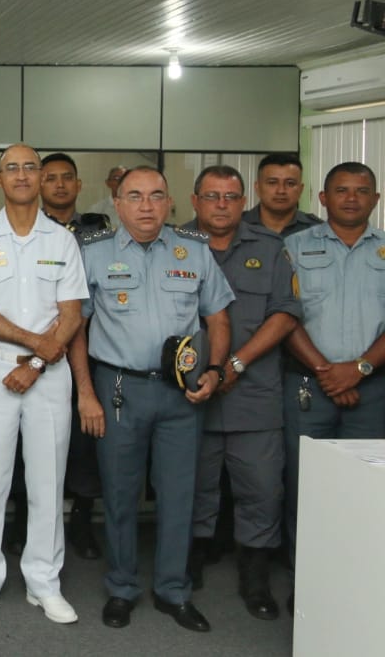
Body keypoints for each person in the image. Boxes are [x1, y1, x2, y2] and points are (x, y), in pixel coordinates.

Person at [75, 166, 232, 633]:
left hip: (181, 393)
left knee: (179, 495)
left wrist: (216, 370)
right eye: (135, 196)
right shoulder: (93, 253)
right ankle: (122, 587)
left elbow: (218, 318)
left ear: (170, 202)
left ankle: (173, 590)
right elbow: (74, 328)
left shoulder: (195, 252)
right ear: (117, 203)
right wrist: (85, 392)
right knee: (120, 494)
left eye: (156, 196)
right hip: (118, 390)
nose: (146, 206)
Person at [0, 145, 87, 626]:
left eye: (31, 167)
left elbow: (72, 314)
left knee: (47, 483)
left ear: (41, 177)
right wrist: (37, 344)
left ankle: (44, 582)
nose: (22, 175)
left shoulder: (63, 241)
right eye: (12, 168)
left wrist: (35, 361)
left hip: (48, 375)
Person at [184, 165, 299, 620]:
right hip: (190, 395)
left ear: (243, 200)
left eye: (231, 197)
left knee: (262, 489)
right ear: (194, 201)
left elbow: (285, 313)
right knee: (193, 485)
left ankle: (255, 577)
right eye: (212, 196)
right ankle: (189, 561)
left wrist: (235, 363)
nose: (221, 205)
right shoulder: (173, 245)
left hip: (253, 393)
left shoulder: (270, 248)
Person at [282, 162, 385, 592]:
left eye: (361, 191)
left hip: (372, 388)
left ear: (375, 199)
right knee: (305, 487)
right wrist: (328, 373)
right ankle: (307, 584)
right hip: (309, 387)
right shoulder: (292, 247)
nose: (351, 198)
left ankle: (356, 585)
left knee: (365, 487)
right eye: (341, 190)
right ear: (323, 198)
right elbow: (284, 317)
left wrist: (358, 370)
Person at [39, 152, 108, 559]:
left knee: (85, 437)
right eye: (51, 178)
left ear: (79, 185)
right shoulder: (27, 230)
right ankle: (25, 516)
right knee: (32, 435)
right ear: (39, 184)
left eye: (67, 178)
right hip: (35, 344)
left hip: (87, 343)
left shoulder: (98, 231)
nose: (60, 185)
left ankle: (81, 519)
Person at [242, 153, 321, 237]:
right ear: (257, 188)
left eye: (290, 183)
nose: (281, 191)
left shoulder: (318, 230)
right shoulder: (237, 226)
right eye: (272, 183)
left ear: (301, 189)